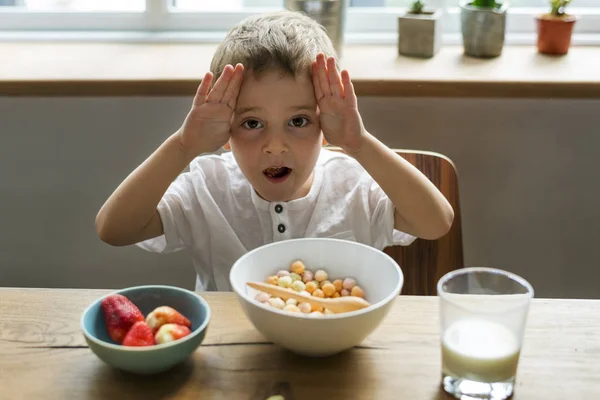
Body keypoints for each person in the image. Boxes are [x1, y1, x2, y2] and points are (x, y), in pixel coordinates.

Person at [95, 10, 454, 292]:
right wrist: (183, 147)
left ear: (325, 129)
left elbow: (436, 223)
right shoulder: (207, 188)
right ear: (225, 131)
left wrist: (359, 143)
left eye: (298, 122)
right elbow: (114, 230)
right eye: (252, 124)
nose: (275, 146)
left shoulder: (355, 187)